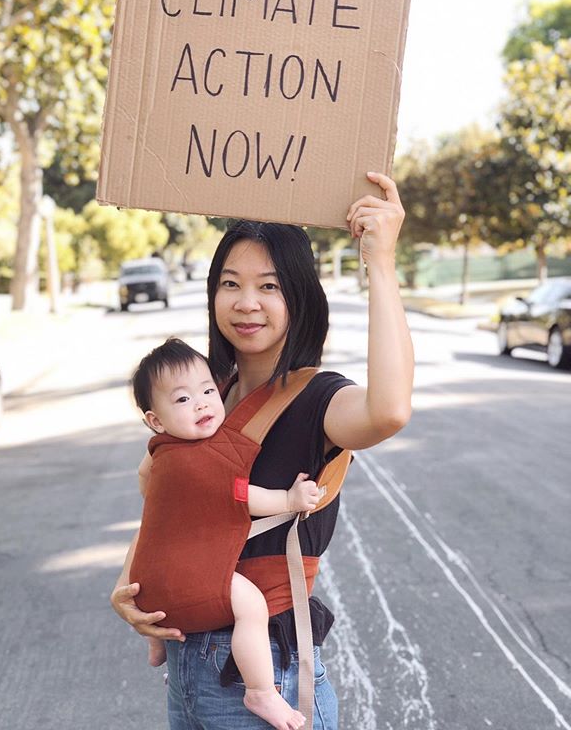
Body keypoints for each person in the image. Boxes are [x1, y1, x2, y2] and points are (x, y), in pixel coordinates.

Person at [111, 172, 414, 729]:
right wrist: (128, 582)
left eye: (269, 286)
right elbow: (170, 504)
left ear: (299, 296)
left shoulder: (320, 400)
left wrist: (383, 262)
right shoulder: (206, 396)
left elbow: (389, 411)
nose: (246, 303)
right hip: (186, 668)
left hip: (264, 675)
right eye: (231, 283)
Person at [131, 337, 321, 730]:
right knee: (251, 604)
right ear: (156, 420)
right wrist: (289, 498)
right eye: (182, 400)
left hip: (149, 586)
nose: (201, 403)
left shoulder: (160, 453)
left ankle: (158, 647)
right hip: (182, 584)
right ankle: (260, 691)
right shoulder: (195, 459)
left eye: (206, 391)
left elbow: (143, 481)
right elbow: (240, 496)